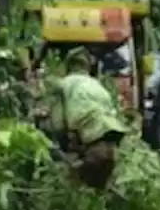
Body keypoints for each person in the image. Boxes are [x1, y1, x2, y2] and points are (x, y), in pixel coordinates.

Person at [44, 48, 129, 189]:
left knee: (81, 169)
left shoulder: (64, 83)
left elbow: (57, 121)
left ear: (69, 66)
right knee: (103, 168)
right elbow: (111, 108)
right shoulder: (98, 85)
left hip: (89, 131)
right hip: (110, 128)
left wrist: (58, 140)